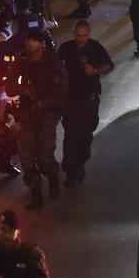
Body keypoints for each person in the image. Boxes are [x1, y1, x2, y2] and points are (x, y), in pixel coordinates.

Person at [11, 31, 66, 209]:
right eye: (28, 41)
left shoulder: (53, 63)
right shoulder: (22, 60)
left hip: (48, 112)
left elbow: (61, 91)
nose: (29, 44)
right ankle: (35, 195)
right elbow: (9, 86)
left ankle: (52, 179)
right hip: (27, 112)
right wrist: (23, 89)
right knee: (26, 156)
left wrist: (43, 102)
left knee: (45, 155)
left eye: (33, 41)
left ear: (42, 44)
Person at [56, 20, 114, 188]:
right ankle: (70, 171)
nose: (81, 39)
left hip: (89, 100)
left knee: (85, 135)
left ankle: (80, 163)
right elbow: (56, 66)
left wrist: (95, 71)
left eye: (84, 36)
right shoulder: (66, 48)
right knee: (70, 136)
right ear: (74, 34)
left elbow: (109, 65)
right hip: (70, 100)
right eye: (78, 36)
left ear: (89, 34)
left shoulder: (95, 47)